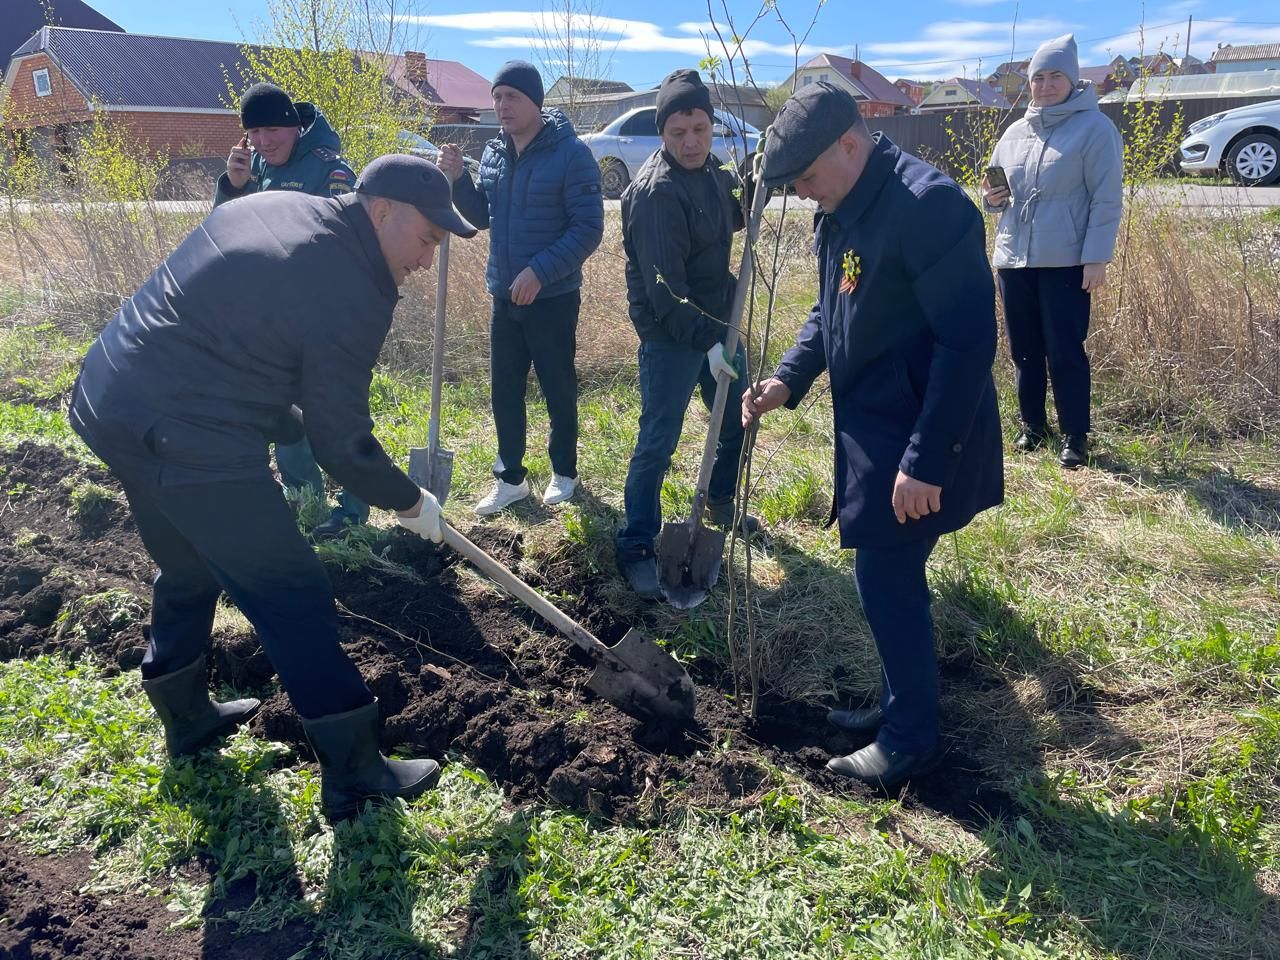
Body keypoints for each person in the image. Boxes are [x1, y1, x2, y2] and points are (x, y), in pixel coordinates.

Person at [69, 155, 478, 820]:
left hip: (110, 399)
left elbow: (230, 329)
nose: (427, 261)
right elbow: (342, 444)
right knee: (293, 592)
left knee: (188, 560)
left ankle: (187, 716)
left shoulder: (285, 205)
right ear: (381, 211)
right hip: (183, 429)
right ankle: (354, 771)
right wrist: (409, 502)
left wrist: (281, 417)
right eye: (426, 240)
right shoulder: (352, 287)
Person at [743, 82, 1004, 787]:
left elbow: (968, 343)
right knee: (886, 575)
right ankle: (899, 706)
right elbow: (831, 311)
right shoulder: (844, 206)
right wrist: (788, 380)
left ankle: (911, 737)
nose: (801, 193)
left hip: (921, 429)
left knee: (885, 574)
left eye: (805, 177)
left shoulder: (929, 209)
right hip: (875, 425)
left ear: (850, 145)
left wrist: (926, 461)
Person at [614, 68, 760, 598]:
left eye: (699, 128)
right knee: (658, 441)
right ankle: (635, 542)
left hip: (719, 322)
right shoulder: (655, 195)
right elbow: (665, 296)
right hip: (671, 334)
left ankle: (720, 501)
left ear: (711, 124)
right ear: (662, 133)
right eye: (678, 133)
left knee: (737, 417)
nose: (691, 142)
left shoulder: (715, 172)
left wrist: (758, 181)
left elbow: (732, 216)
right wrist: (709, 343)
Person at [438, 61, 604, 516]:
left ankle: (564, 472)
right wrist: (458, 183)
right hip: (503, 294)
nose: (501, 105)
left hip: (551, 296)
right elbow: (480, 217)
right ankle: (510, 479)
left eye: (511, 96)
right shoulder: (493, 153)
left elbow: (588, 228)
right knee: (505, 389)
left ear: (535, 102)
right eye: (497, 97)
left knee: (557, 386)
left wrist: (539, 272)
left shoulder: (570, 154)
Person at [215, 81, 371, 536]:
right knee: (284, 416)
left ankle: (354, 511)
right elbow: (228, 232)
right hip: (273, 319)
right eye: (254, 132)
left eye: (272, 131)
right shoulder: (256, 168)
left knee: (335, 414)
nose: (263, 142)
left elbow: (341, 247)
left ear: (293, 127)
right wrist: (234, 186)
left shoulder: (331, 172)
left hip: (326, 318)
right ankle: (305, 503)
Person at [982, 34, 1123, 470]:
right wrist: (993, 197)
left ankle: (1075, 437)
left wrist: (1096, 257)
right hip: (1014, 260)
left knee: (1065, 350)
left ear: (1073, 79)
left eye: (1054, 76)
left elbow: (1106, 199)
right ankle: (1033, 427)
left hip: (1065, 261)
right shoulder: (1015, 132)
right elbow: (990, 194)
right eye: (1037, 77)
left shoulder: (1095, 130)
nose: (1044, 86)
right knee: (1023, 350)